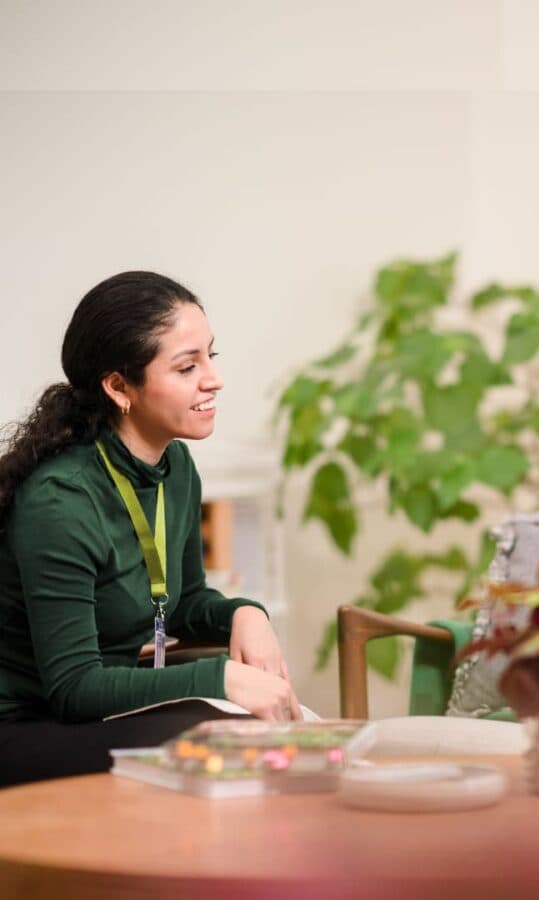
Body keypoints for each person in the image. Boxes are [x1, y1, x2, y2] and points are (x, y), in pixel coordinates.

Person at [0, 271, 302, 787]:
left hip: (92, 716)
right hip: (24, 725)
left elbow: (181, 604)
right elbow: (74, 687)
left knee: (265, 734)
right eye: (187, 366)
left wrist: (245, 614)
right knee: (229, 741)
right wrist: (222, 677)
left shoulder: (175, 467)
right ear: (119, 387)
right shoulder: (62, 500)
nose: (213, 379)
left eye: (211, 356)